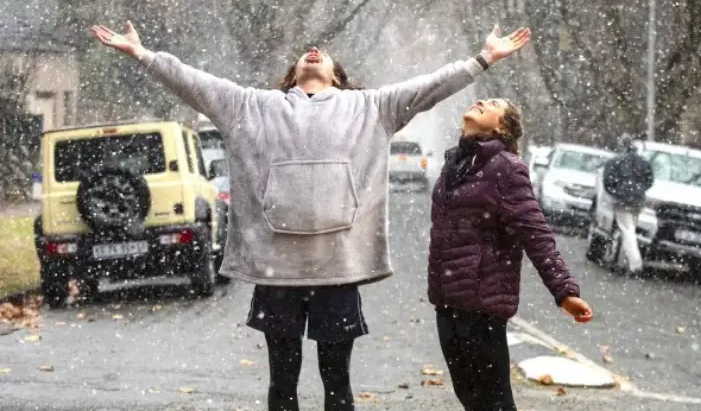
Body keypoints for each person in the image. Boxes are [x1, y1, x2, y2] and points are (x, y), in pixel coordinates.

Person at [91, 21, 531, 411]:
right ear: (293, 75)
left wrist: (483, 59)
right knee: (282, 383)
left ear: (337, 76)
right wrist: (143, 55)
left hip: (336, 272)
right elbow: (192, 82)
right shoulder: (251, 107)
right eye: (303, 57)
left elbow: (429, 86)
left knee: (336, 381)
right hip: (277, 272)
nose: (312, 52)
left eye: (321, 57)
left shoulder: (372, 108)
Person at [428, 98, 593, 411]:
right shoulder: (456, 163)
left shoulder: (506, 168)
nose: (481, 101)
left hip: (482, 304)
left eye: (492, 104)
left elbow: (536, 233)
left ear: (501, 127)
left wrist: (565, 291)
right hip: (448, 301)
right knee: (470, 398)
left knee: (494, 402)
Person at [602, 133, 654, 274]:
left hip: (622, 200)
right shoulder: (644, 162)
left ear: (621, 145)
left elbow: (607, 181)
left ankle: (634, 263)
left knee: (627, 230)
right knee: (630, 229)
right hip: (637, 201)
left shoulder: (615, 161)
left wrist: (616, 192)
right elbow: (649, 180)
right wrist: (639, 190)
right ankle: (623, 263)